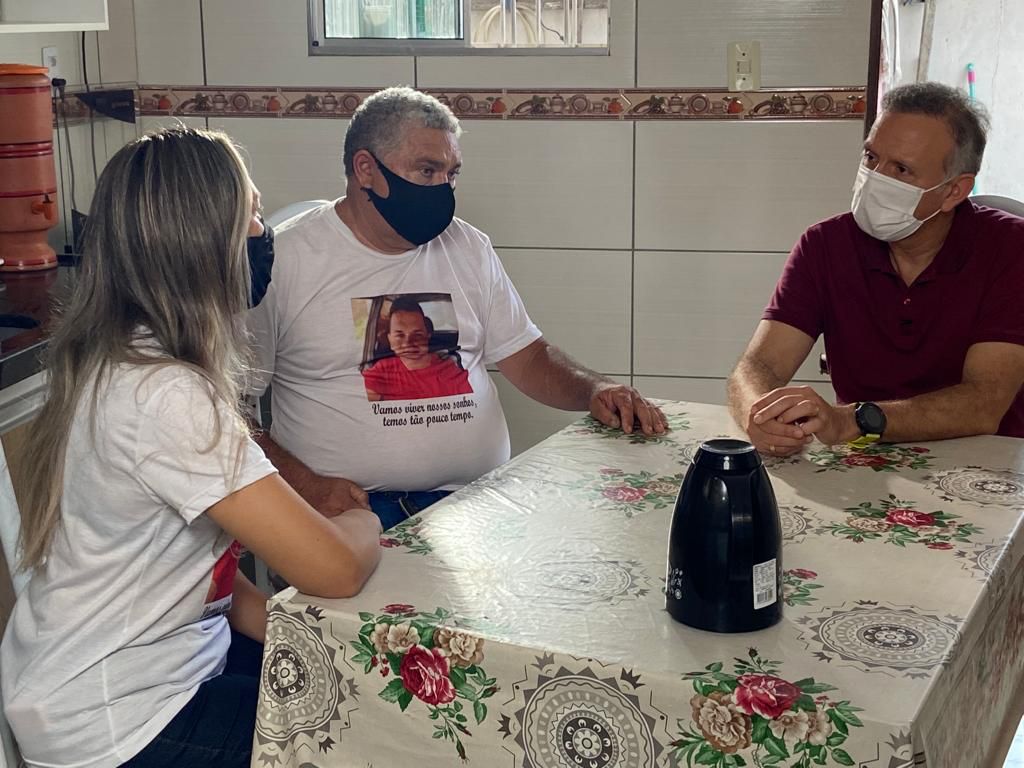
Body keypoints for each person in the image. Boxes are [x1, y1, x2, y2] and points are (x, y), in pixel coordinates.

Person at [0, 127, 382, 768]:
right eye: (253, 216)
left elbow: (205, 580)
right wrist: (363, 523)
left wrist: (311, 644)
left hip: (111, 684)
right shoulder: (166, 396)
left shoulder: (118, 358)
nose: (263, 234)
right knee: (370, 736)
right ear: (204, 243)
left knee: (348, 692)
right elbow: (337, 570)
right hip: (122, 719)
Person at [248, 86, 667, 530]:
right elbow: (227, 408)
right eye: (427, 171)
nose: (442, 190)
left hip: (478, 502)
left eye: (451, 175)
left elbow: (528, 358)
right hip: (349, 512)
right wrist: (305, 486)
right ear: (365, 169)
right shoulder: (281, 260)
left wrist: (595, 390)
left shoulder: (467, 246)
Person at [728, 82, 1024, 457]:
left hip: (990, 466)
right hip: (864, 458)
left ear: (954, 191)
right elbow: (759, 365)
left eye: (901, 169)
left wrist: (852, 419)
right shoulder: (824, 244)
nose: (876, 178)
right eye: (871, 157)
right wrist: (759, 412)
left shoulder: (1011, 248)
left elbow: (983, 403)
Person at [361, 296, 472, 401]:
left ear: (427, 335)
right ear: (390, 339)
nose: (408, 342)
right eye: (399, 335)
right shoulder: (381, 370)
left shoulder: (448, 368)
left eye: (417, 334)